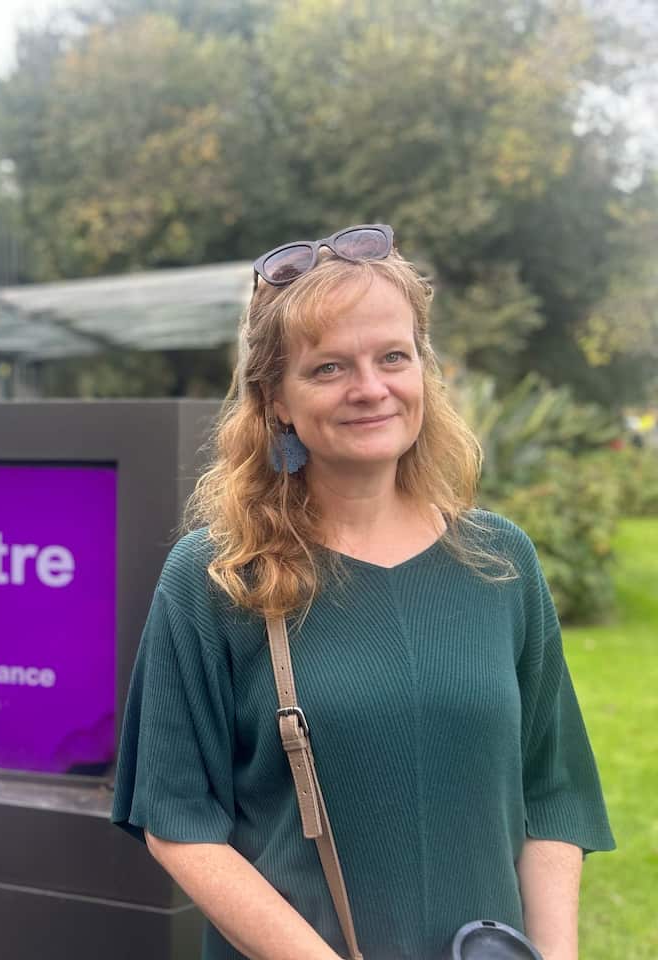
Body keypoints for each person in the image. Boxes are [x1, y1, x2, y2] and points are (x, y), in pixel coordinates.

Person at [110, 224, 614, 960]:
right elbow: (179, 818)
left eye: (393, 357)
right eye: (329, 369)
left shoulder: (501, 562)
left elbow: (553, 793)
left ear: (423, 373)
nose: (370, 388)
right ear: (275, 399)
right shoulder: (217, 578)